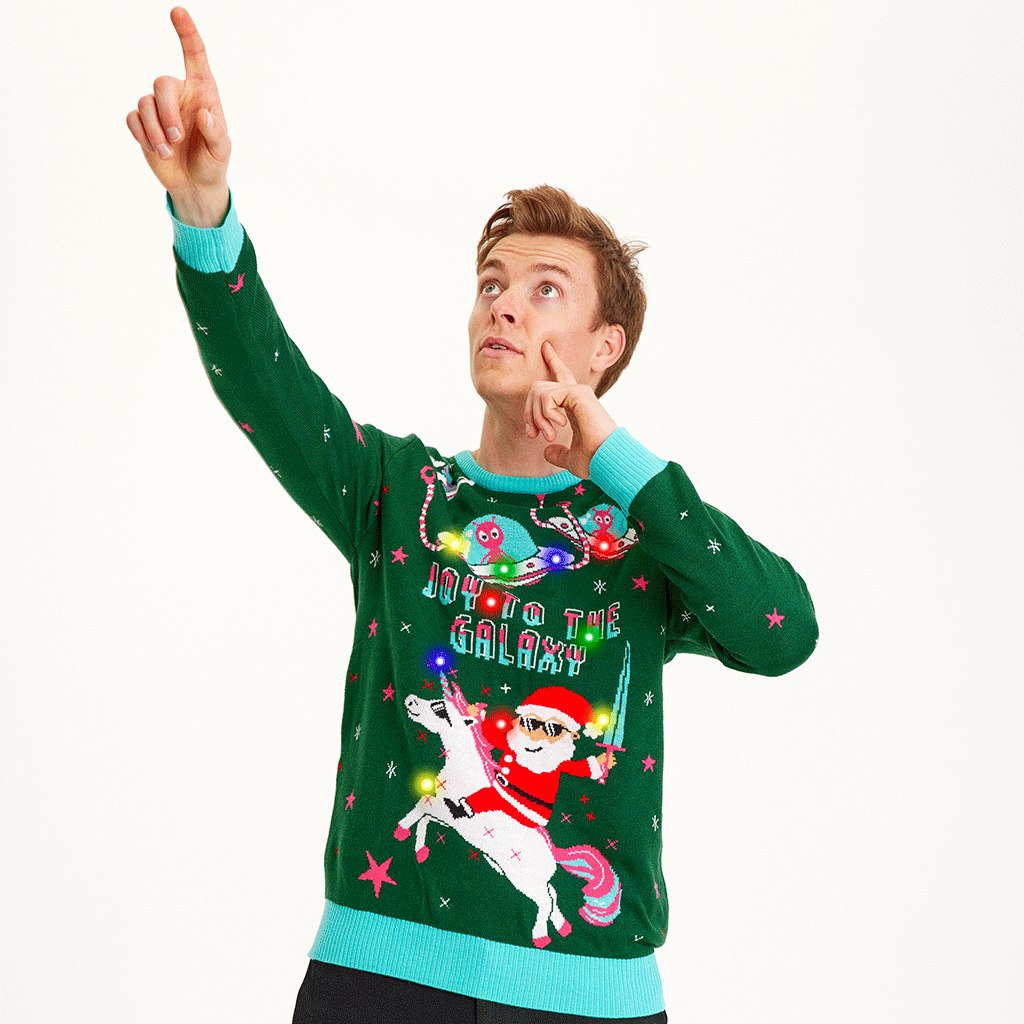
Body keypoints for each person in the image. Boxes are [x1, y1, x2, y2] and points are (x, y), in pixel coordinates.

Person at [127, 9, 818, 1023]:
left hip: (590, 999)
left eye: (546, 291)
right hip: (376, 980)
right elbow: (265, 385)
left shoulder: (640, 532)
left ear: (605, 347)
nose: (504, 305)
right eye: (492, 284)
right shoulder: (394, 492)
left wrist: (619, 465)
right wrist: (203, 211)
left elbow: (782, 632)